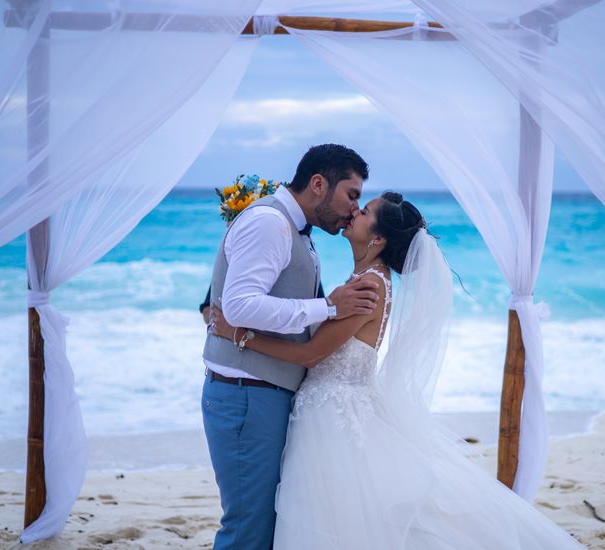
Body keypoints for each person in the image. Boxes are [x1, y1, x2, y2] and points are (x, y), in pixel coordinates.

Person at [208, 192, 585, 549]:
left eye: (366, 211)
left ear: (379, 239)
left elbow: (311, 354)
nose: (355, 211)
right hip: (332, 410)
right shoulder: (363, 281)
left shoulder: (369, 286)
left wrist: (238, 335)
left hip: (332, 418)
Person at [201, 144, 380, 549]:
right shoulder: (270, 223)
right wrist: (328, 307)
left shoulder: (294, 229)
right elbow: (241, 305)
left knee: (265, 525)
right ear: (319, 184)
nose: (355, 208)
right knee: (248, 528)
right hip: (247, 396)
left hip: (263, 394)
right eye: (351, 195)